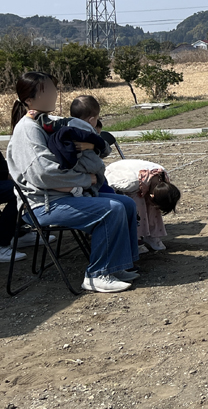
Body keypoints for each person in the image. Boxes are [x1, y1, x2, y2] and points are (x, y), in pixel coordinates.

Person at [6, 72, 140, 293]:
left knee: (126, 204)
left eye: (53, 88)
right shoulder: (27, 129)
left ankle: (117, 266)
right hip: (42, 205)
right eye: (46, 90)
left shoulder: (47, 121)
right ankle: (97, 274)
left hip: (63, 196)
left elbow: (88, 144)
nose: (53, 94)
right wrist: (86, 179)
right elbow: (43, 174)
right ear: (29, 99)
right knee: (112, 209)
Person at [106, 159, 181, 252]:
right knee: (137, 202)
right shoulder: (130, 183)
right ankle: (135, 237)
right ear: (152, 194)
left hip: (140, 179)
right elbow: (109, 184)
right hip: (116, 174)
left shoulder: (163, 178)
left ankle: (151, 235)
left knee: (153, 204)